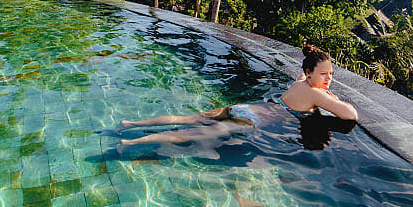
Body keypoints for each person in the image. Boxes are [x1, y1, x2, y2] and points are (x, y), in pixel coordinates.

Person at [117, 44, 357, 147]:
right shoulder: (317, 94)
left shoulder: (300, 82)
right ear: (308, 72)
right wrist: (332, 98)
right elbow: (350, 115)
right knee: (191, 134)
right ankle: (130, 142)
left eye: (331, 74)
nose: (328, 79)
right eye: (324, 74)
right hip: (251, 120)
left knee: (188, 119)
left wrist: (323, 87)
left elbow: (306, 84)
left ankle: (130, 124)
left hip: (243, 108)